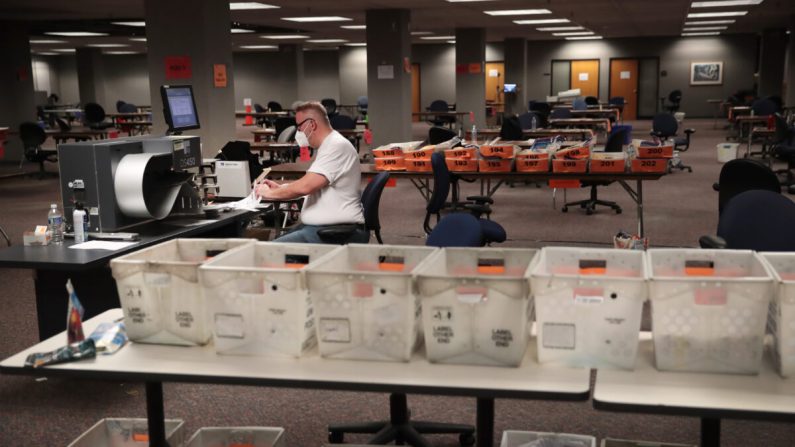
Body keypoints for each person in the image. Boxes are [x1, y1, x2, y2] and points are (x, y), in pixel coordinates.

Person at [255, 101, 368, 244]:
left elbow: (305, 187)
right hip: (323, 227)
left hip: (336, 231)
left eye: (299, 127)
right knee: (275, 245)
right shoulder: (328, 145)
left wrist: (269, 193)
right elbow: (310, 181)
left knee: (270, 252)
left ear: (312, 125)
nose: (298, 132)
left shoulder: (336, 146)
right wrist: (281, 188)